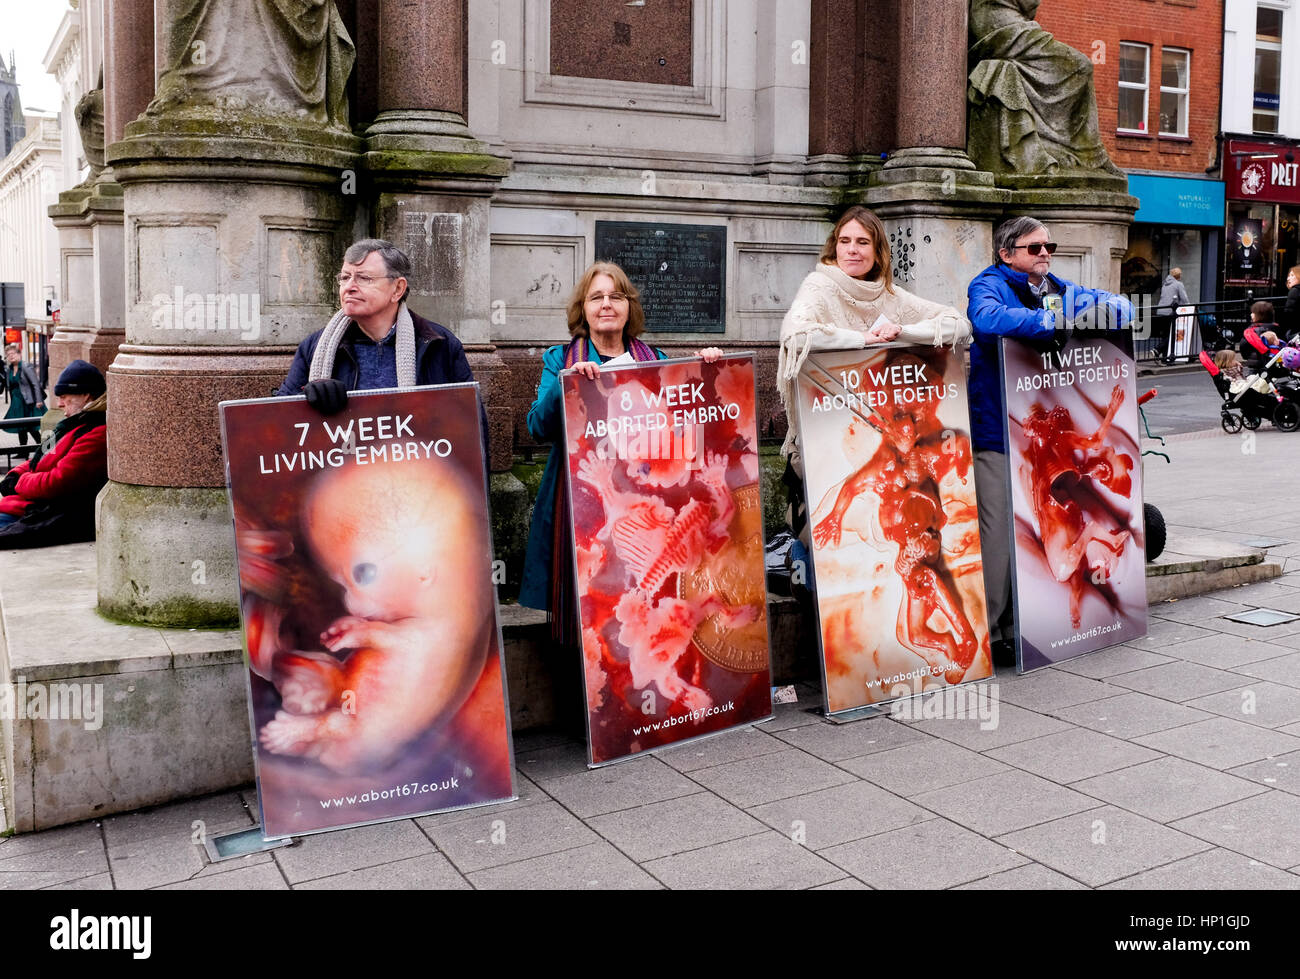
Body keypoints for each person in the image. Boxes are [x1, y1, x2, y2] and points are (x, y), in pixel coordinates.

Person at [520, 261, 722, 644]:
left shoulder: (656, 361)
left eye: (616, 296)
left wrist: (709, 370)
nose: (607, 304)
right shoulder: (559, 359)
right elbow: (537, 427)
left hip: (642, 510)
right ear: (583, 309)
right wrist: (569, 385)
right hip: (581, 507)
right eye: (596, 297)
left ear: (630, 306)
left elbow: (687, 430)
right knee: (585, 610)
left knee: (635, 612)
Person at [966, 216, 1133, 666]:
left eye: (1049, 246)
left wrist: (1073, 311)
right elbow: (986, 320)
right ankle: (994, 630)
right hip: (998, 432)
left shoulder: (1058, 286)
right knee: (1000, 533)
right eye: (1034, 247)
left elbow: (1123, 309)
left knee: (1046, 536)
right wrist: (1050, 320)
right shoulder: (988, 285)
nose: (1045, 254)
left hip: (1048, 445)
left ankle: (1029, 627)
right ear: (1007, 254)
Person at [776, 205, 971, 539]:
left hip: (892, 436)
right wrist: (861, 339)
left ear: (878, 251)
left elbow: (958, 324)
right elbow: (796, 335)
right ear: (834, 247)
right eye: (845, 241)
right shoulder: (819, 287)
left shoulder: (890, 296)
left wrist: (902, 333)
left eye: (863, 242)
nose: (852, 249)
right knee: (827, 536)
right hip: (827, 432)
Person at [277, 238, 487, 451]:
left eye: (364, 278)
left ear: (397, 288)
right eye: (345, 277)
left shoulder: (438, 344)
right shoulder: (315, 347)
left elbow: (471, 429)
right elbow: (276, 422)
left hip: (419, 475)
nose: (349, 287)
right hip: (341, 477)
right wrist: (306, 398)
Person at [0, 359, 107, 546]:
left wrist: (19, 483)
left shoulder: (97, 433)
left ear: (86, 396)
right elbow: (39, 457)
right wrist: (15, 473)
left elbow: (57, 481)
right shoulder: (65, 426)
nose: (59, 404)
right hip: (25, 505)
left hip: (42, 512)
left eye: (65, 397)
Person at [3, 343, 45, 445]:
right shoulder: (10, 369)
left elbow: (35, 384)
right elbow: (10, 387)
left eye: (13, 353)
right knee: (20, 425)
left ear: (19, 354)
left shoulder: (26, 366)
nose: (11, 356)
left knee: (31, 426)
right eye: (8, 355)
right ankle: (23, 451)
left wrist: (39, 400)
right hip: (17, 402)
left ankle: (43, 447)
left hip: (28, 401)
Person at [1154, 267, 1190, 362]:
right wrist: (1189, 308)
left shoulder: (1165, 285)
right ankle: (1157, 350)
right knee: (1172, 335)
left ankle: (1164, 358)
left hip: (1161, 311)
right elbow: (1184, 299)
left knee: (1166, 335)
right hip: (1170, 312)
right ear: (1178, 276)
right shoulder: (1178, 284)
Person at [1282, 265, 1300, 340]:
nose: (1288, 278)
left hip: (1295, 331)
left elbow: (1288, 313)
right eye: (1288, 275)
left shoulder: (1295, 291)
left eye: (1292, 275)